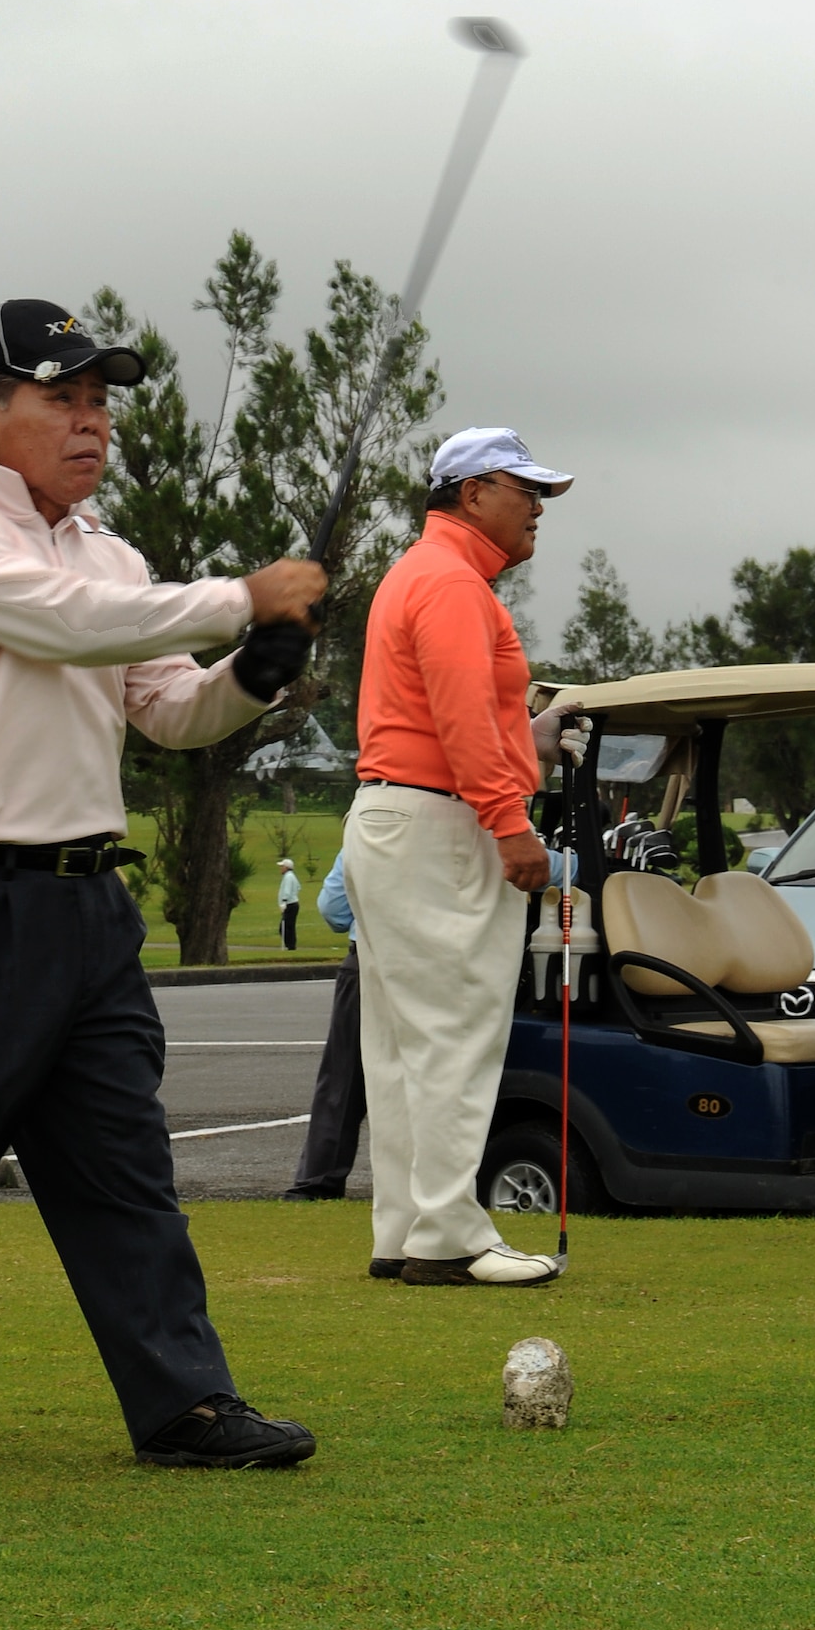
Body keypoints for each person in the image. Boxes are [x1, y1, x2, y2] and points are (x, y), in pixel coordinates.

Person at [0, 298, 327, 1470]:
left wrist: (252, 672)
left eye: (100, 402)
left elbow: (169, 710)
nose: (92, 422)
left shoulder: (113, 556)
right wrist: (241, 596)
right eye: (63, 398)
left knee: (123, 1161)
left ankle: (183, 1403)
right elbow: (68, 625)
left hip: (88, 904)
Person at [342, 426, 591, 1288]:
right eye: (527, 492)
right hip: (440, 824)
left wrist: (529, 739)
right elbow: (457, 718)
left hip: (401, 816)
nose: (538, 510)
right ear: (473, 492)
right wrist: (511, 823)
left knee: (403, 1042)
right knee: (455, 1032)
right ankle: (447, 1233)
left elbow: (456, 715)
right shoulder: (452, 582)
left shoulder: (426, 572)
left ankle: (408, 1227)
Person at [284, 850, 366, 1201]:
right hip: (437, 965)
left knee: (343, 1079)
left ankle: (319, 1180)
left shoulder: (364, 834)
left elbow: (334, 910)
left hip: (369, 960)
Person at [276, 857, 302, 950]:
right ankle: (291, 945)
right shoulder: (291, 876)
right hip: (292, 903)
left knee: (284, 927)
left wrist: (284, 902)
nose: (281, 868)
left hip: (290, 904)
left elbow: (287, 891)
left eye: (282, 866)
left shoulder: (288, 877)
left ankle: (290, 945)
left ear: (286, 867)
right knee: (290, 926)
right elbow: (298, 887)